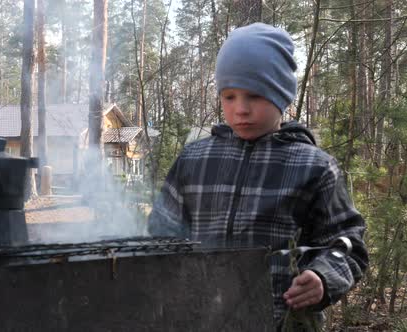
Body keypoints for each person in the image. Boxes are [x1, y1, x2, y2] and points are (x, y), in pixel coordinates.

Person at [148, 22, 368, 328]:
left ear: (281, 96)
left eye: (255, 96)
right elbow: (162, 232)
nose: (241, 109)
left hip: (281, 321)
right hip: (201, 319)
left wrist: (323, 277)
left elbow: (347, 244)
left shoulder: (314, 167)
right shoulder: (195, 160)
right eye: (229, 96)